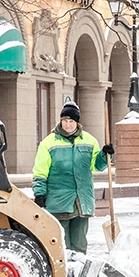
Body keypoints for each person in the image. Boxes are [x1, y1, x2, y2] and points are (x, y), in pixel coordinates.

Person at [32, 101, 114, 254]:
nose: (68, 124)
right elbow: (40, 171)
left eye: (71, 121)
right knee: (61, 244)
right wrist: (39, 193)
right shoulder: (48, 143)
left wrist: (105, 154)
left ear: (77, 122)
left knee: (80, 244)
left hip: (82, 201)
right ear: (60, 121)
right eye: (65, 121)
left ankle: (80, 272)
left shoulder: (89, 141)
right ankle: (64, 274)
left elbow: (96, 166)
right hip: (58, 200)